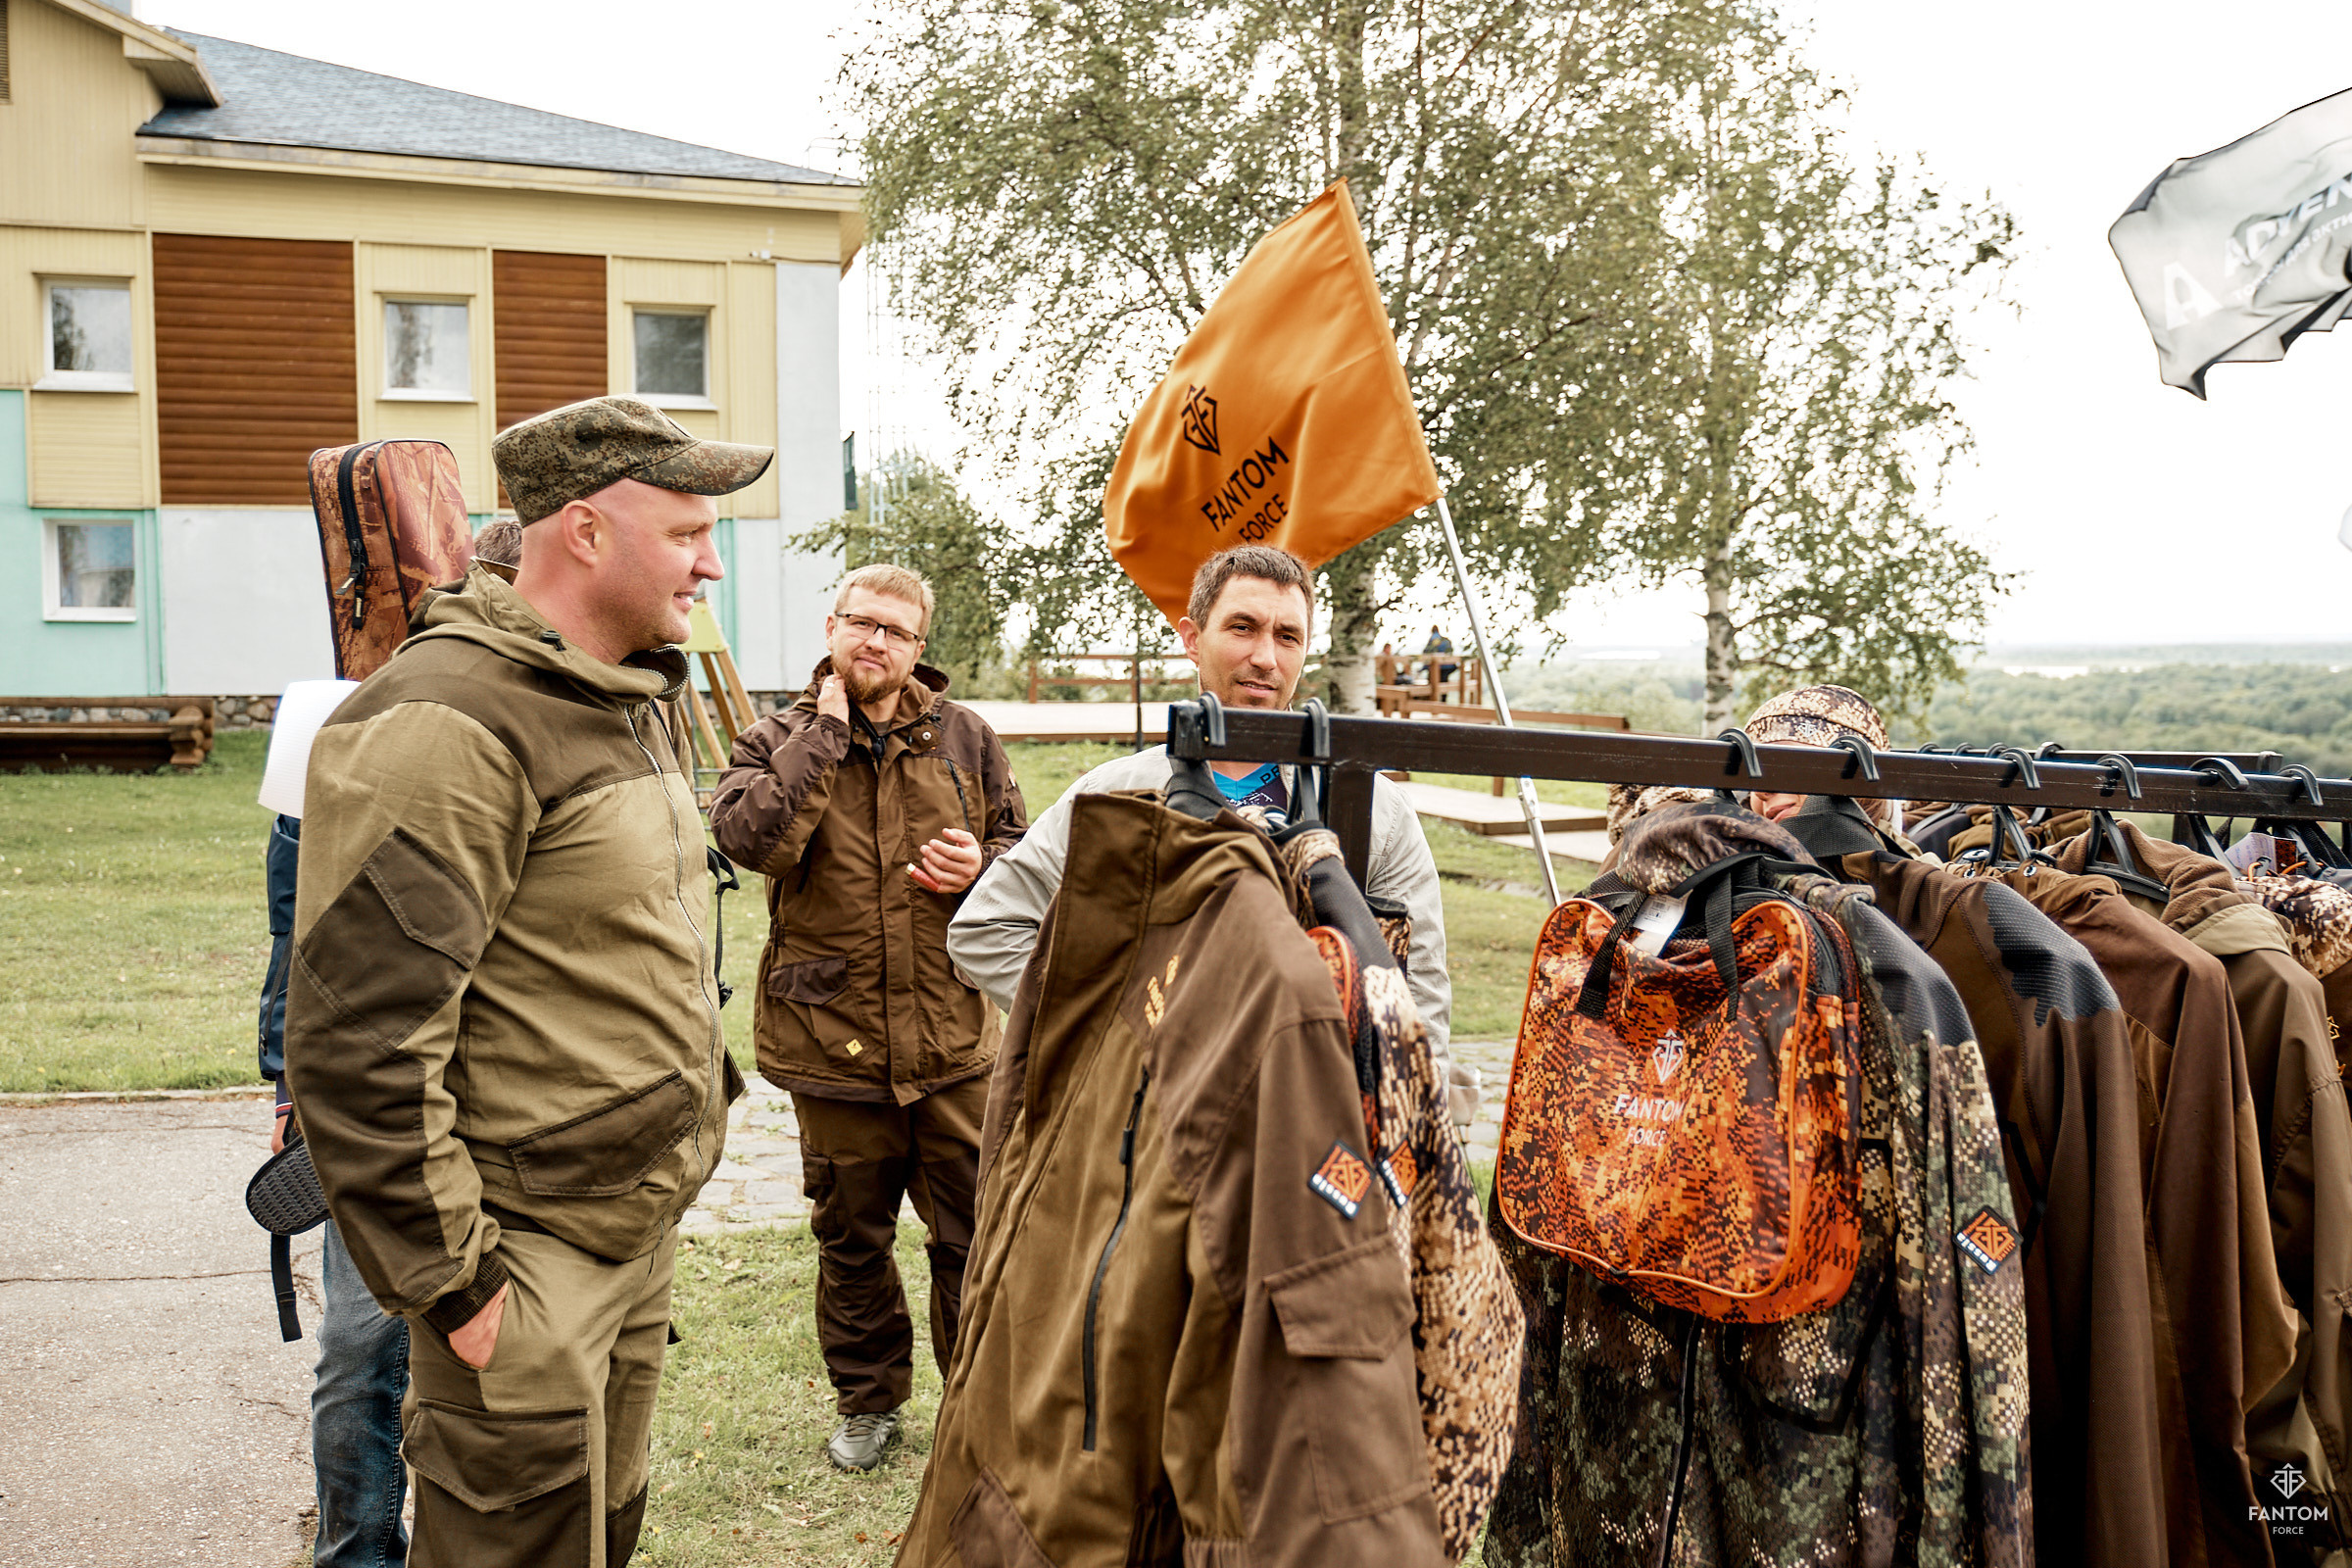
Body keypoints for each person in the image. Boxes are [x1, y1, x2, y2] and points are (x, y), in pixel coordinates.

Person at [284, 395, 771, 1568]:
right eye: (688, 530)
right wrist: (457, 1288)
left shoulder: (613, 693)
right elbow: (358, 1038)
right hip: (522, 1260)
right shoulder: (450, 716)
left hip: (626, 1230)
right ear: (587, 532)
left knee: (597, 1532)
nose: (712, 562)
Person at [950, 544, 1468, 1115]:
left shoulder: (1373, 808)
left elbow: (1417, 986)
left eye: (1287, 636)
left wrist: (1414, 1133)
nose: (1266, 657)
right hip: (1153, 1135)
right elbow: (987, 927)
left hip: (1321, 1129)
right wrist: (1118, 1035)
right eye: (1243, 628)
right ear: (1192, 638)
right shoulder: (1114, 796)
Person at [706, 564, 1026, 1472]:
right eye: (859, 623)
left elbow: (1022, 849)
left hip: (953, 1042)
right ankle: (868, 1403)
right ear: (832, 627)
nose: (874, 642)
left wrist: (985, 865)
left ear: (920, 648)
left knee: (973, 1237)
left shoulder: (965, 738)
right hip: (831, 1039)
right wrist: (827, 738)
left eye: (895, 630)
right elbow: (749, 841)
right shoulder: (775, 737)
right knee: (852, 1241)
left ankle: (977, 1414)